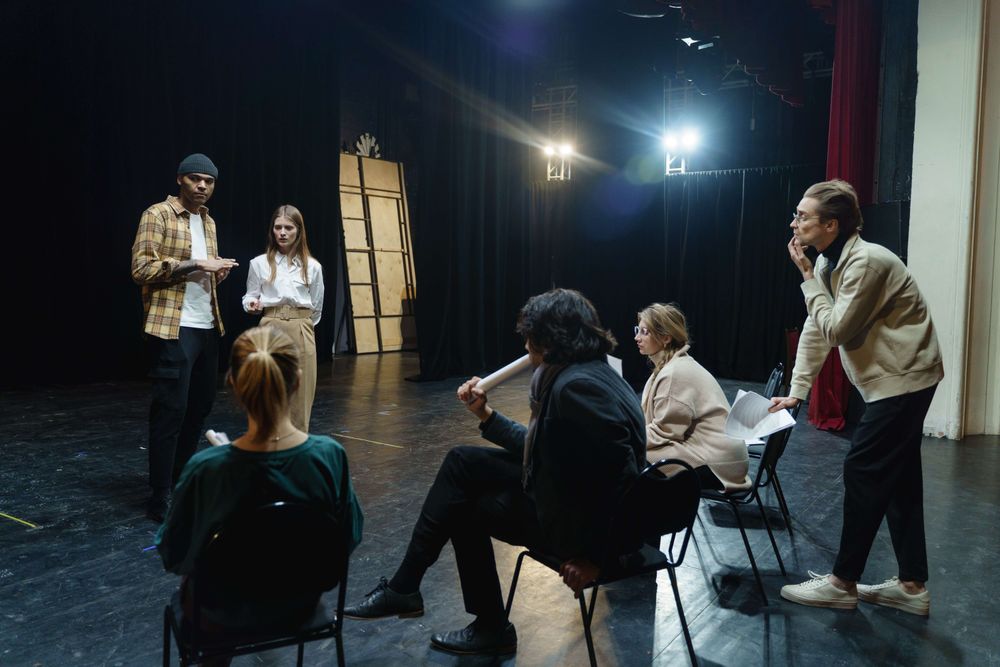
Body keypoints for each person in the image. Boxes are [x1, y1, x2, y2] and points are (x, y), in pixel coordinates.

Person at [343, 288, 646, 656]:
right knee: (461, 461)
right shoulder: (591, 371)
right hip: (568, 494)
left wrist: (597, 559)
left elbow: (625, 478)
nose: (526, 347)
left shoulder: (577, 387)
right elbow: (542, 449)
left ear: (550, 339)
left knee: (464, 508)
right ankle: (407, 589)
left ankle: (476, 620)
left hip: (586, 533)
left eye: (530, 338)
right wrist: (484, 415)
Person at [771, 179, 943, 616]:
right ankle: (911, 586)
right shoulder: (833, 262)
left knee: (863, 470)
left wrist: (807, 278)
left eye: (803, 216)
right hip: (893, 379)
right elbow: (815, 328)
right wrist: (797, 391)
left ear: (831, 224)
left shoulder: (865, 262)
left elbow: (836, 330)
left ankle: (842, 582)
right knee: (900, 480)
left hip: (904, 380)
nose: (794, 222)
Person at [156, 325, 363, 627]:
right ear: (297, 382)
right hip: (300, 603)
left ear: (233, 384)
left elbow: (173, 553)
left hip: (222, 610)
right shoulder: (329, 456)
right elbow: (349, 535)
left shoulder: (207, 468)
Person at [131, 153, 239, 522]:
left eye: (208, 182)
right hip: (173, 327)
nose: (202, 187)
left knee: (199, 410)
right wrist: (195, 264)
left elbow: (202, 274)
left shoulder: (208, 222)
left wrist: (216, 273)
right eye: (195, 179)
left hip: (208, 326)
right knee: (169, 414)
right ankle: (158, 494)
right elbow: (141, 269)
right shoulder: (157, 214)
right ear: (180, 179)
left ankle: (179, 480)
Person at [635, 303, 750, 492]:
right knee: (634, 453)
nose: (637, 337)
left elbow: (665, 432)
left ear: (665, 337)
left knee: (632, 457)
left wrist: (625, 438)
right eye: (637, 330)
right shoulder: (670, 366)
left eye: (644, 332)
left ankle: (642, 518)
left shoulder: (674, 373)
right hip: (714, 453)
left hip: (721, 463)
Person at [242, 204, 324, 431]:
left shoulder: (313, 267)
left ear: (299, 230)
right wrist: (251, 304)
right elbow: (250, 295)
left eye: (288, 227)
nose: (283, 232)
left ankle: (296, 447)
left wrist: (302, 325)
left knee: (301, 392)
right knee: (267, 389)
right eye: (278, 227)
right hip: (270, 324)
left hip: (301, 326)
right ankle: (265, 444)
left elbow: (316, 306)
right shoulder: (259, 263)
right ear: (272, 230)